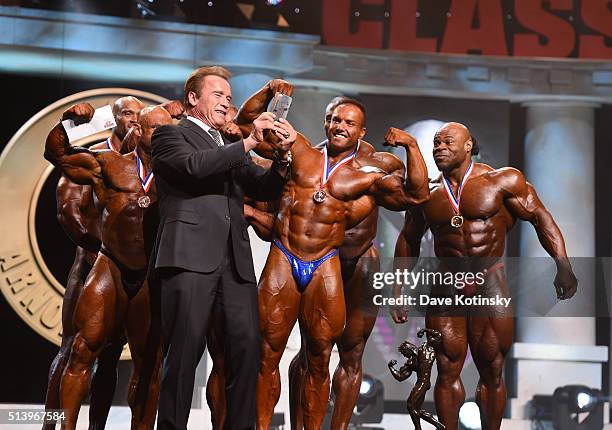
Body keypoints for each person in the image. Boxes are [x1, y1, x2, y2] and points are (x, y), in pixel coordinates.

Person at [255, 98, 430, 429]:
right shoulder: (304, 154)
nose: (339, 126)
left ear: (361, 131)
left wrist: (410, 145)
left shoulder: (378, 164)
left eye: (348, 123)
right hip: (312, 257)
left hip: (359, 261)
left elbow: (415, 197)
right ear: (326, 122)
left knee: (350, 354)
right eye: (334, 120)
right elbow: (253, 139)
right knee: (305, 353)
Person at [393, 122, 578, 430]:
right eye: (436, 143)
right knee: (445, 368)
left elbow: (540, 217)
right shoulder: (429, 194)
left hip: (489, 282)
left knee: (492, 370)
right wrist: (397, 288)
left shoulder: (502, 180)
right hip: (446, 286)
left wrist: (563, 264)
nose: (440, 147)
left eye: (448, 142)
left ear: (468, 146)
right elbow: (408, 239)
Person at [150, 66, 293, 430]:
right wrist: (246, 143)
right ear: (193, 99)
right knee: (183, 355)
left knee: (246, 351)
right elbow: (194, 168)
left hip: (234, 263)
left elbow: (261, 188)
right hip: (189, 259)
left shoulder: (226, 146)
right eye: (218, 95)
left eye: (229, 97)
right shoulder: (170, 135)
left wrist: (281, 158)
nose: (226, 102)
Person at [44, 103, 177, 429]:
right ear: (138, 132)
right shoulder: (109, 164)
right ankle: (57, 425)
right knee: (77, 351)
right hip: (106, 266)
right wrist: (68, 123)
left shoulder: (177, 174)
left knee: (148, 364)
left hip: (147, 275)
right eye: (153, 129)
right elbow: (58, 156)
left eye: (166, 130)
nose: (160, 135)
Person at [388, 329, 444, 430]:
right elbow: (400, 377)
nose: (405, 356)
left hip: (424, 382)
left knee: (410, 405)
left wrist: (425, 330)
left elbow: (439, 335)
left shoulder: (426, 348)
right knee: (416, 409)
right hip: (422, 382)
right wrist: (391, 367)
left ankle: (418, 428)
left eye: (405, 353)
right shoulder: (410, 363)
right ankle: (438, 426)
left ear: (408, 348)